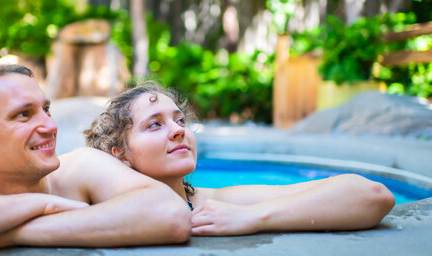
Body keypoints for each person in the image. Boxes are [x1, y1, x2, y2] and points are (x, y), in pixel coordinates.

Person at [0, 65, 190, 256]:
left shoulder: (82, 167)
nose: (50, 126)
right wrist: (38, 205)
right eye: (24, 114)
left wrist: (11, 234)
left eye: (46, 110)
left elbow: (170, 214)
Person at [85, 82, 396, 236]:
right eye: (155, 124)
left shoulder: (214, 202)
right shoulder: (95, 212)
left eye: (180, 121)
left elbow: (373, 195)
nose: (178, 131)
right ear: (119, 154)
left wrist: (253, 217)